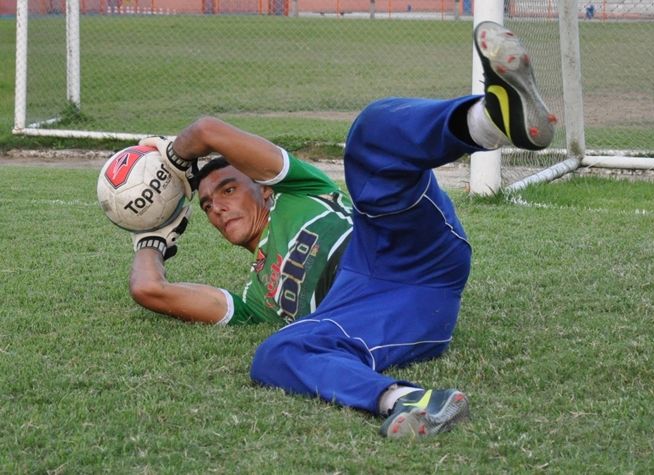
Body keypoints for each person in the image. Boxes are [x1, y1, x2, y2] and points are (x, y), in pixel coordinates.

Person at [128, 21, 555, 438]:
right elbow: (150, 291)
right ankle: (404, 401)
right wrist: (153, 235)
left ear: (261, 189)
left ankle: (488, 120)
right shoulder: (255, 296)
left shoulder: (300, 190)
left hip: (392, 247)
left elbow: (207, 130)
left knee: (370, 134)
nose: (217, 207)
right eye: (205, 206)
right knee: (276, 352)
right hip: (375, 313)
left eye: (227, 189)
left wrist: (173, 158)